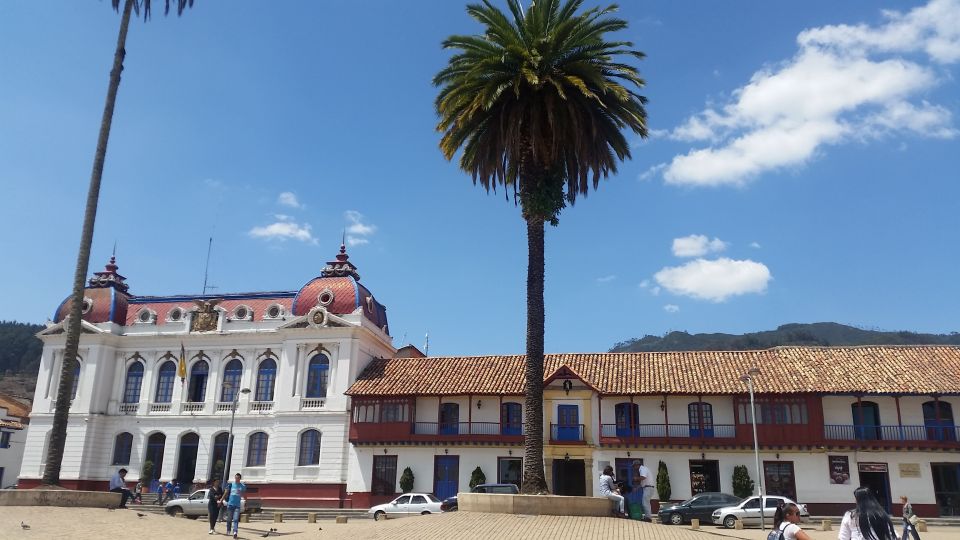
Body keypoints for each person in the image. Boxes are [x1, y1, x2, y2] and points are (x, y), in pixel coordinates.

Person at [220, 473, 246, 539]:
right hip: (230, 504)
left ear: (240, 478)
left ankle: (235, 532)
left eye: (238, 478)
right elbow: (226, 493)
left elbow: (244, 494)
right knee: (229, 519)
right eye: (235, 477)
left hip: (237, 505)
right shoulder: (231, 485)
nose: (236, 479)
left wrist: (246, 501)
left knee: (236, 519)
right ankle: (228, 530)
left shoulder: (242, 486)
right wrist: (221, 500)